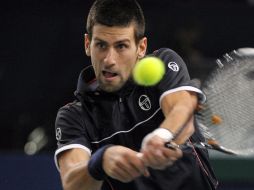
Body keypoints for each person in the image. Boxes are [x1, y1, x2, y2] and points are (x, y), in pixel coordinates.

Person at [54, 0, 218, 189]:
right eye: (101, 45)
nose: (109, 60)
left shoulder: (164, 62)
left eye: (121, 46)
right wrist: (99, 162)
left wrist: (162, 136)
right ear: (87, 44)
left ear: (141, 47)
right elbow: (71, 183)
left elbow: (183, 111)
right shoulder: (73, 116)